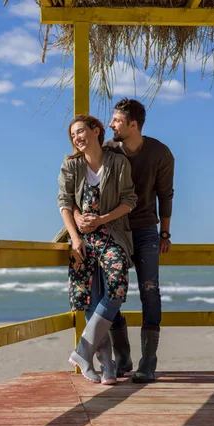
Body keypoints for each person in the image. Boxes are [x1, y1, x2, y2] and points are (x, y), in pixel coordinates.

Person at [75, 98, 174, 383]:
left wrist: (164, 233)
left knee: (149, 290)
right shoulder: (107, 150)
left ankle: (148, 361)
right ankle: (123, 356)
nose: (111, 124)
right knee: (111, 292)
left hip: (144, 230)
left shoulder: (160, 153)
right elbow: (83, 183)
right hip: (113, 229)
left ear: (133, 125)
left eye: (116, 121)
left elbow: (165, 195)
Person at [57, 114, 137, 385]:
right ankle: (108, 367)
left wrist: (102, 219)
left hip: (112, 236)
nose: (77, 138)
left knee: (116, 288)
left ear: (96, 131)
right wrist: (75, 235)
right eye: (72, 136)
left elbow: (129, 200)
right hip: (82, 240)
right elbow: (64, 203)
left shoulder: (118, 162)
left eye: (80, 131)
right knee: (90, 299)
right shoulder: (71, 166)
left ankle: (83, 351)